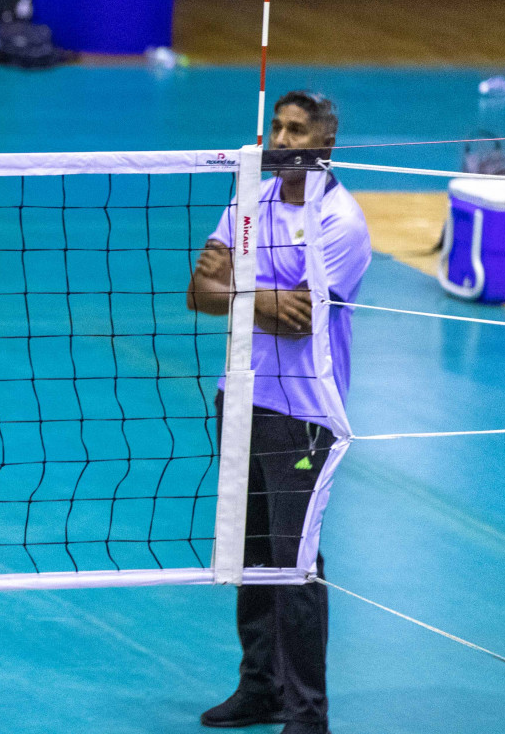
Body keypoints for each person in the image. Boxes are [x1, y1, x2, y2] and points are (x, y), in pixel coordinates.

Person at [186, 92, 371, 734]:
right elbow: (198, 292)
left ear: (326, 145)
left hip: (305, 413)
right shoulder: (250, 199)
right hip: (239, 396)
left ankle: (307, 714)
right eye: (278, 125)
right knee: (249, 554)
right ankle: (259, 688)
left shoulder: (340, 223)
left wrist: (238, 290)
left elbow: (298, 321)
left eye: (299, 129)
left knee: (297, 565)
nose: (283, 138)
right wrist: (258, 297)